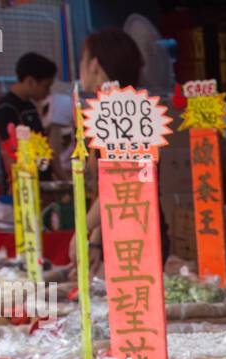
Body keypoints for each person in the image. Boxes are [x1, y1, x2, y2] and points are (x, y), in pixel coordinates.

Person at [72, 27, 170, 277]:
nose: (79, 67)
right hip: (120, 232)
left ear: (94, 64)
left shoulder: (127, 115)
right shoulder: (108, 113)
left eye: (82, 59)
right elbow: (110, 187)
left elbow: (121, 183)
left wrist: (83, 230)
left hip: (137, 237)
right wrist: (94, 239)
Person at [0, 52, 56, 143]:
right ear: (30, 82)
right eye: (46, 87)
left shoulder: (29, 105)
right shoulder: (6, 108)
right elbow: (11, 148)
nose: (48, 92)